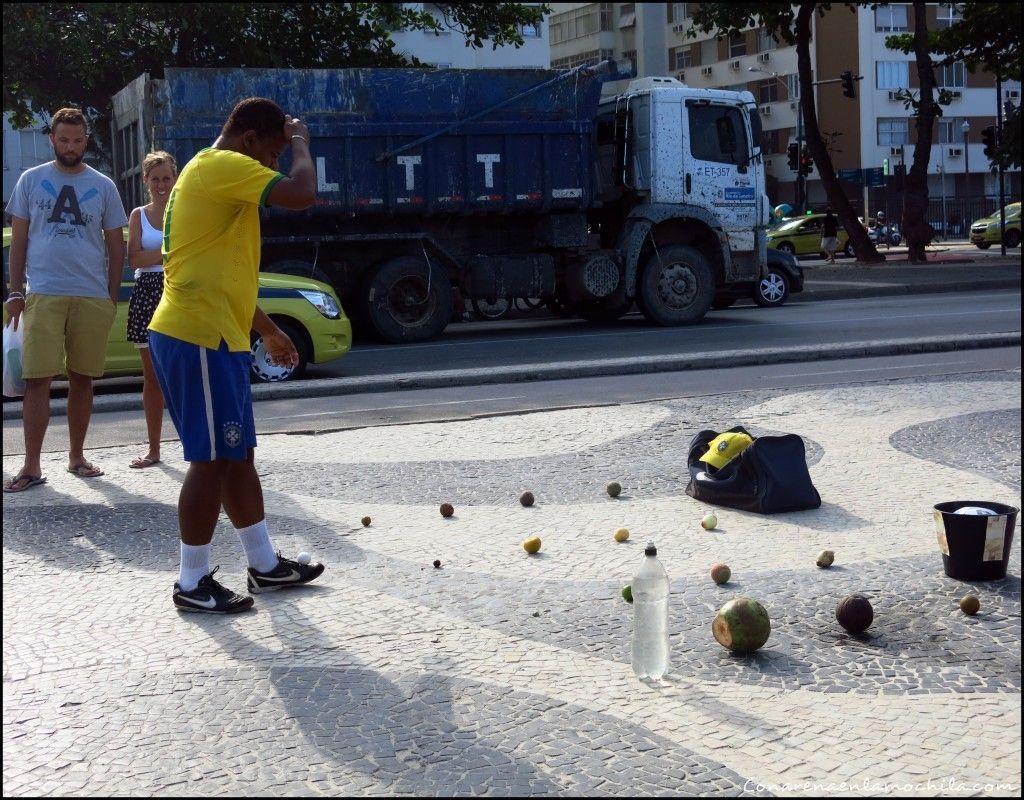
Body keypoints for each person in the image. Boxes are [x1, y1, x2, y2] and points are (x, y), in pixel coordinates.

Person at [147, 97, 323, 614]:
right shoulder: (223, 166)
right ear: (249, 141)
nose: (272, 165)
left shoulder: (219, 174)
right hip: (195, 335)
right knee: (211, 461)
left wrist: (267, 329)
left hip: (218, 334)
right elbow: (303, 192)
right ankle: (191, 581)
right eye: (270, 153)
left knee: (237, 454)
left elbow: (223, 271)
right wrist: (300, 142)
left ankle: (264, 566)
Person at [3, 107, 128, 493]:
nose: (70, 146)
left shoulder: (104, 185)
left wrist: (110, 296)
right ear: (52, 139)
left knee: (82, 378)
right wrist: (15, 291)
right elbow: (19, 241)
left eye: (77, 140)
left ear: (85, 141)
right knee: (37, 379)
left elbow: (115, 246)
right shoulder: (31, 180)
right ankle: (31, 465)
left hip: (91, 296)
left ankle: (77, 457)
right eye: (63, 139)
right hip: (43, 293)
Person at [125, 151, 177, 469]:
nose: (160, 184)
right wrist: (168, 251)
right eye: (155, 178)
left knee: (184, 373)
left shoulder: (185, 210)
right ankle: (154, 449)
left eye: (166, 178)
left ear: (175, 179)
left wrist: (153, 253)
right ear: (146, 180)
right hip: (147, 293)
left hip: (177, 291)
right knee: (153, 377)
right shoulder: (138, 215)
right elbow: (134, 259)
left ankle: (196, 446)